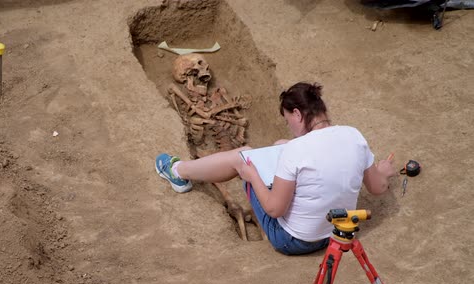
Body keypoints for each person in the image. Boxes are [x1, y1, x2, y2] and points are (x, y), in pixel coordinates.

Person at [155, 82, 396, 255]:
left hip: (296, 241)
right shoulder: (354, 136)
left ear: (298, 114)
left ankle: (177, 172)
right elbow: (377, 187)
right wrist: (383, 171)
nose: (289, 125)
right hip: (339, 232)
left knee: (243, 157)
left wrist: (252, 177)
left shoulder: (297, 150)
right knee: (280, 145)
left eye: (287, 119)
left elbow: (274, 209)